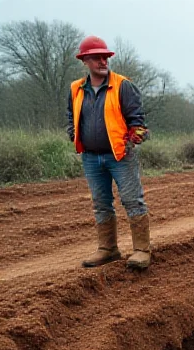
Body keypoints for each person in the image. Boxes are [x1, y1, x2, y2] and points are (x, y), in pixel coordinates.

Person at [68, 35, 151, 269]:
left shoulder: (123, 85)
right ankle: (108, 249)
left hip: (120, 155)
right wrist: (72, 133)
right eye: (97, 58)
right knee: (100, 203)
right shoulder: (76, 88)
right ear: (85, 61)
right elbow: (70, 115)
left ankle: (142, 250)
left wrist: (137, 132)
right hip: (90, 156)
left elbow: (137, 118)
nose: (103, 61)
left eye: (105, 57)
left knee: (132, 201)